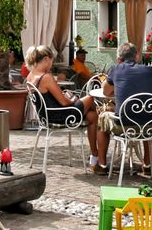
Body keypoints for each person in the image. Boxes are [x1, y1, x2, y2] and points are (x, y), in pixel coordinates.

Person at [24, 44, 106, 172]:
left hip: (47, 116)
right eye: (51, 61)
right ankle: (98, 155)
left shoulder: (30, 76)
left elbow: (52, 98)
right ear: (46, 59)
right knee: (90, 98)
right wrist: (72, 99)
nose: (52, 64)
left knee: (92, 116)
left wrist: (67, 97)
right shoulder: (46, 77)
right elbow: (63, 102)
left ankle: (94, 158)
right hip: (61, 116)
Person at [100, 42, 152, 177]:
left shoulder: (116, 69)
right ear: (137, 56)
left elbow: (106, 92)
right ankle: (147, 165)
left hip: (124, 126)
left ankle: (101, 165)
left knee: (101, 120)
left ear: (119, 58)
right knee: (148, 118)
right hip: (150, 126)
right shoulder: (149, 71)